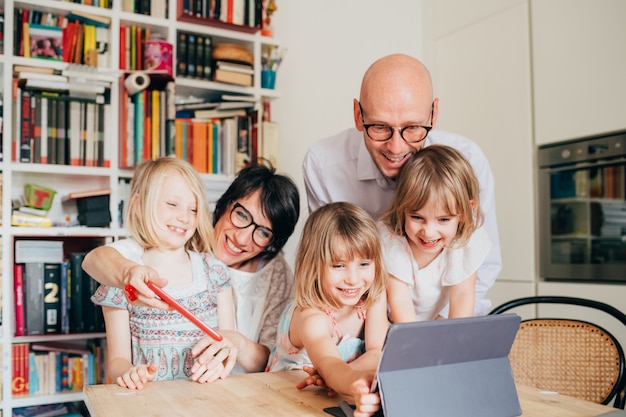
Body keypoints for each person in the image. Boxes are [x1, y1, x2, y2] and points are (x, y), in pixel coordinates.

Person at [302, 53, 501, 315]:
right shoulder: (323, 165)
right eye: (380, 127)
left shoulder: (468, 161)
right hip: (362, 315)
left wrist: (443, 334)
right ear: (358, 115)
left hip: (450, 319)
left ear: (434, 113)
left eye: (413, 127)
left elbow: (482, 268)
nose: (396, 147)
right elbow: (328, 264)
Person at [83, 162, 300, 375]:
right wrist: (126, 272)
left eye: (263, 232)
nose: (242, 238)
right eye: (242, 215)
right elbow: (96, 259)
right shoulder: (166, 242)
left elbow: (273, 359)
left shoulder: (267, 272)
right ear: (224, 204)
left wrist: (235, 343)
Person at [90, 157, 236, 389]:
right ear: (138, 205)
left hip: (209, 399)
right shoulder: (120, 279)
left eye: (194, 208)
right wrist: (130, 373)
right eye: (172, 204)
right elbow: (117, 361)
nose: (185, 217)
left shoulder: (215, 272)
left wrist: (224, 355)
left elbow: (229, 339)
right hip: (151, 404)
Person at [266, 202, 388, 417]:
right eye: (338, 266)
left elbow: (377, 351)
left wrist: (338, 379)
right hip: (286, 402)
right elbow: (330, 363)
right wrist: (348, 380)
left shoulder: (372, 298)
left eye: (364, 264)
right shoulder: (310, 316)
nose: (353, 279)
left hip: (337, 397)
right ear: (313, 266)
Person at [378, 145, 492, 322]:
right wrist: (418, 342)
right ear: (402, 209)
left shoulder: (467, 242)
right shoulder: (391, 242)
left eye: (443, 220)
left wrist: (453, 338)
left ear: (465, 212)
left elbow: (462, 296)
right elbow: (399, 301)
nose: (428, 232)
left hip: (436, 323)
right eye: (417, 217)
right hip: (392, 324)